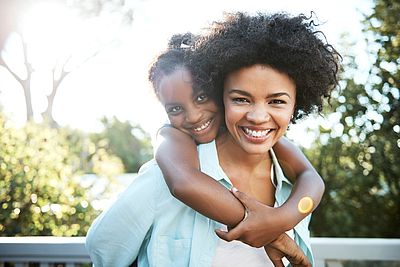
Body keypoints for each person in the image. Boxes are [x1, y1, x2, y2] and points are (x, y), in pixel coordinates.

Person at [86, 11, 341, 267]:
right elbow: (104, 249)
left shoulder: (292, 187)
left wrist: (278, 223)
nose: (258, 116)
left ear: (296, 105)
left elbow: (312, 182)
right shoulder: (164, 174)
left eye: (277, 101)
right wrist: (273, 234)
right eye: (241, 99)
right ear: (221, 95)